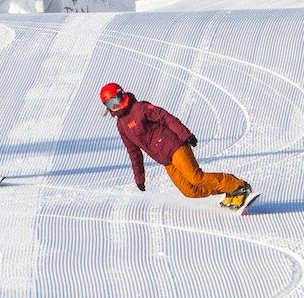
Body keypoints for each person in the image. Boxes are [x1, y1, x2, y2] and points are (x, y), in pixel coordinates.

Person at [99, 82, 253, 209]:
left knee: (195, 177)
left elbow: (166, 118)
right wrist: (139, 177)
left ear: (122, 95)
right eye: (110, 104)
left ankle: (238, 186)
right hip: (165, 159)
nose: (115, 106)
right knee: (189, 190)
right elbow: (133, 152)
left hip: (175, 146)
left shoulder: (140, 108)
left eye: (116, 100)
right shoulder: (121, 126)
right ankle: (227, 190)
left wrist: (186, 135)